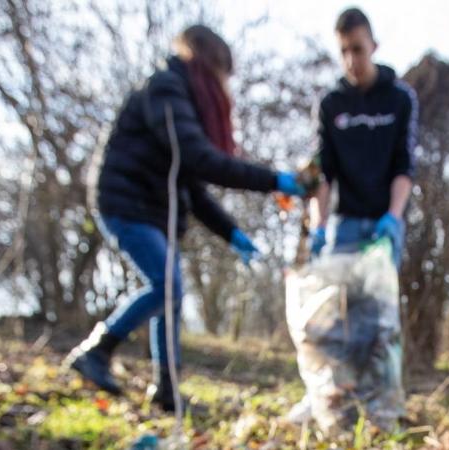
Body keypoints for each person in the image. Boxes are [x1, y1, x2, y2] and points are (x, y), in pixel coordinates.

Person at [65, 25, 305, 411]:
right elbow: (200, 160)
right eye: (224, 77)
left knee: (170, 295)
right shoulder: (166, 88)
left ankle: (167, 390)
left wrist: (233, 234)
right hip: (125, 201)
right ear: (210, 66)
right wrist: (273, 180)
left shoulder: (181, 99)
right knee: (167, 284)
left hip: (152, 208)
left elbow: (192, 191)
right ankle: (98, 349)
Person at [309, 7, 418, 267]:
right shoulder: (330, 104)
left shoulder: (400, 99)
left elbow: (404, 165)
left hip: (384, 220)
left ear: (373, 46)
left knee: (379, 305)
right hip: (343, 222)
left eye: (357, 49)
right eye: (343, 51)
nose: (350, 61)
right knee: (334, 304)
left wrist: (394, 216)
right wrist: (319, 224)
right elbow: (323, 171)